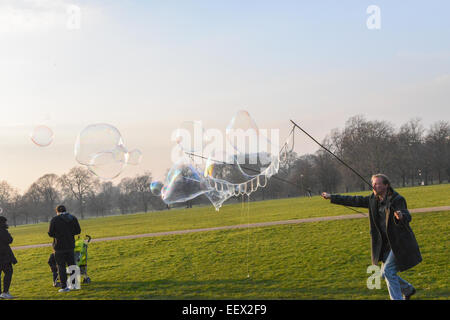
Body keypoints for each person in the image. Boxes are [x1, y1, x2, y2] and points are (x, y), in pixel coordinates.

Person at [321, 174, 422, 300]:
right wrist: (332, 197)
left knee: (388, 271)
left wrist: (401, 216)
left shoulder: (397, 199)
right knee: (385, 274)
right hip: (384, 244)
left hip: (398, 243)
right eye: (373, 183)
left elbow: (407, 216)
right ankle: (407, 289)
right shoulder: (372, 200)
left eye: (378, 183)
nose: (374, 185)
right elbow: (354, 200)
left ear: (386, 185)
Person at [48, 205, 81, 293]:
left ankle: (64, 286)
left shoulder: (54, 219)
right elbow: (78, 231)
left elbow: (50, 233)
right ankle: (74, 285)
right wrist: (69, 234)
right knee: (72, 264)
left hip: (59, 246)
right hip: (70, 245)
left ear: (57, 211)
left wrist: (58, 235)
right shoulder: (73, 218)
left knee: (61, 266)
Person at [0, 216, 17, 299]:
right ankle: (5, 292)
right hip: (4, 256)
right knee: (8, 273)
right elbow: (9, 240)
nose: (6, 224)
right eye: (5, 222)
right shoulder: (2, 231)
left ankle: (1, 293)